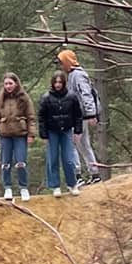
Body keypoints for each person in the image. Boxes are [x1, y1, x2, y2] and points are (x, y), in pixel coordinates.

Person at [58, 48, 103, 183]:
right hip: (79, 115)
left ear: (67, 61)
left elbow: (86, 94)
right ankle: (94, 174)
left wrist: (91, 114)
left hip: (80, 116)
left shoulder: (78, 75)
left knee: (71, 144)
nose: (61, 66)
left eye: (61, 62)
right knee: (83, 144)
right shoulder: (73, 75)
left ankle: (77, 176)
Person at [38, 67, 84, 198]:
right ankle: (55, 186)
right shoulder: (46, 98)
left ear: (64, 83)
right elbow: (41, 117)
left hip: (67, 131)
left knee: (69, 159)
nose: (58, 85)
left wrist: (78, 131)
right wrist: (44, 135)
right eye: (56, 82)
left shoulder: (72, 97)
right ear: (52, 83)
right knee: (52, 159)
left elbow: (78, 115)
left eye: (60, 82)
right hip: (52, 132)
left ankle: (72, 184)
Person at [0, 71, 34, 202]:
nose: (8, 86)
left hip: (20, 134)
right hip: (5, 135)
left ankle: (23, 187)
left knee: (21, 162)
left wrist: (31, 134)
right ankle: (7, 188)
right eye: (6, 84)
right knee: (5, 163)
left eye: (10, 83)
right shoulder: (1, 99)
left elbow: (31, 117)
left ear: (16, 84)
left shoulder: (24, 98)